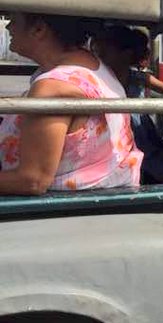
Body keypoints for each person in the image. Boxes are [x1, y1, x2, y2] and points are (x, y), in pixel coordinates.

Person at [0, 13, 142, 195]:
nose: (8, 26)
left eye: (14, 19)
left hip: (58, 210)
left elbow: (33, 180)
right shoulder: (92, 64)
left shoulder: (53, 87)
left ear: (39, 29)